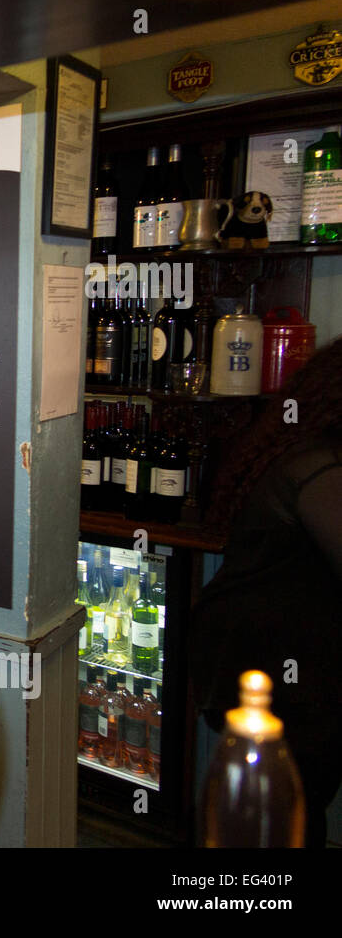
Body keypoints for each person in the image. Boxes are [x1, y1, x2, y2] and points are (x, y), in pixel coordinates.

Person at [191, 336, 342, 847]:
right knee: (286, 804)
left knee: (284, 799)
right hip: (273, 655)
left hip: (265, 645)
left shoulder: (304, 453)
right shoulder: (317, 466)